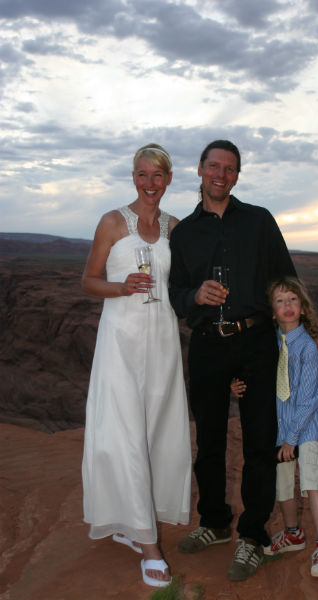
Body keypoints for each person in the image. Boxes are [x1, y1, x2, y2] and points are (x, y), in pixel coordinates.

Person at [168, 140, 297, 582]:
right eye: (214, 166)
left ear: (237, 176)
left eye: (229, 168)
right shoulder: (184, 233)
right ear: (200, 169)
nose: (220, 175)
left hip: (256, 341)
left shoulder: (259, 221)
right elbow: (174, 293)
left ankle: (252, 535)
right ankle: (215, 521)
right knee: (209, 440)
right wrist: (194, 295)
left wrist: (302, 337)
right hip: (208, 344)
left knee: (260, 440)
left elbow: (286, 280)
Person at [81, 143, 192, 588]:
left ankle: (131, 521)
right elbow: (88, 281)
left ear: (168, 180)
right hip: (121, 343)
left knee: (155, 433)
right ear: (133, 177)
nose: (150, 183)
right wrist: (122, 287)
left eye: (158, 175)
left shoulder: (176, 228)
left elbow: (183, 286)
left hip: (162, 341)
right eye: (143, 174)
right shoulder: (112, 222)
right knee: (126, 434)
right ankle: (148, 545)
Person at [233, 276, 318, 577]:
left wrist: (292, 439)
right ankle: (293, 534)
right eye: (280, 301)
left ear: (303, 308)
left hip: (305, 426)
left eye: (293, 299)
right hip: (281, 427)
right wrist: (236, 383)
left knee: (310, 476)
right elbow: (255, 371)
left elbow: (308, 399)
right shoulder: (271, 346)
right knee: (281, 481)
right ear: (272, 312)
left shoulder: (307, 347)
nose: (287, 305)